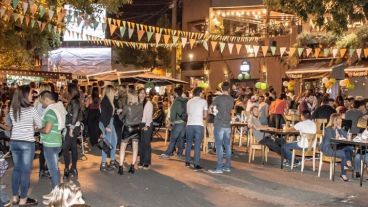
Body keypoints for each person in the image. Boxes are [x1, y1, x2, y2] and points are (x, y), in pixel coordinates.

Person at [9, 85, 41, 206]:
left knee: (17, 170)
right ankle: (23, 199)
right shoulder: (31, 110)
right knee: (25, 172)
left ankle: (15, 197)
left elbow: (17, 124)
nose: (32, 95)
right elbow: (40, 124)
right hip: (27, 143)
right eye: (31, 93)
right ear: (24, 95)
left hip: (14, 142)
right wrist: (33, 127)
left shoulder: (13, 109)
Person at [38, 91, 65, 195]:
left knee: (53, 170)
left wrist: (38, 129)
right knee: (55, 168)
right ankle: (59, 191)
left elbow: (47, 129)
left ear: (47, 100)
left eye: (42, 101)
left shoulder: (50, 112)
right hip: (56, 142)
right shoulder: (58, 108)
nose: (41, 104)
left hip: (50, 143)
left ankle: (56, 194)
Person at [208, 82, 234, 174]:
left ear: (222, 89)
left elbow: (210, 109)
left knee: (219, 146)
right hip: (227, 124)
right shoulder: (231, 99)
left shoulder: (218, 98)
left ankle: (219, 168)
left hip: (219, 124)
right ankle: (227, 166)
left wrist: (215, 113)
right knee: (227, 145)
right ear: (229, 89)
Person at [321, 113, 353, 181]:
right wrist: (339, 139)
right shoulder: (328, 129)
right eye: (340, 119)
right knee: (344, 153)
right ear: (335, 120)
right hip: (328, 149)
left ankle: (348, 161)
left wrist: (340, 129)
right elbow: (332, 141)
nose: (341, 120)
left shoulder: (338, 129)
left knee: (350, 148)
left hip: (337, 147)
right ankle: (344, 173)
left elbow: (347, 136)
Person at [118, 89, 144, 175]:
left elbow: (121, 118)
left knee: (123, 148)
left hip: (128, 128)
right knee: (135, 148)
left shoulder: (126, 106)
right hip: (137, 128)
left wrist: (119, 113)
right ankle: (132, 166)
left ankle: (121, 167)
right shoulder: (141, 106)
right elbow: (140, 117)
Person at [160, 87, 187, 159]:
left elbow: (174, 112)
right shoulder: (185, 101)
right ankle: (179, 154)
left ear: (175, 93)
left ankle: (167, 153)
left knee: (173, 139)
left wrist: (171, 121)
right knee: (181, 139)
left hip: (177, 122)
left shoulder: (176, 101)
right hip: (184, 122)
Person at [185, 87, 208, 170]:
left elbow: (188, 113)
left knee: (189, 143)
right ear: (201, 93)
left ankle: (187, 161)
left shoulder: (188, 102)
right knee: (197, 145)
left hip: (189, 124)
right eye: (203, 92)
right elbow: (205, 116)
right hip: (198, 124)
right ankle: (196, 164)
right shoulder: (204, 101)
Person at [63, 83, 82, 179]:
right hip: (73, 126)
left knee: (66, 147)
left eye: (67, 89)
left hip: (72, 127)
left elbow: (75, 114)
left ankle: (68, 168)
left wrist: (71, 128)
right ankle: (73, 168)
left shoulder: (75, 101)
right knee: (73, 147)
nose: (66, 91)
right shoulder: (76, 100)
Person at [99, 85, 119, 171]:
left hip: (109, 122)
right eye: (113, 91)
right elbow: (103, 115)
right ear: (110, 91)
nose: (115, 92)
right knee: (107, 144)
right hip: (106, 123)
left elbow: (109, 113)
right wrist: (106, 127)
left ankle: (112, 161)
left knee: (114, 141)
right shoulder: (105, 101)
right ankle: (103, 163)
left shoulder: (109, 100)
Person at [139, 89, 154, 169]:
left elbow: (149, 116)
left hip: (147, 124)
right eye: (140, 93)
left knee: (146, 143)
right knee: (141, 144)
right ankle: (141, 161)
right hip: (140, 124)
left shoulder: (148, 103)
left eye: (143, 93)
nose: (142, 94)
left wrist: (147, 126)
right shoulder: (138, 103)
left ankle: (147, 162)